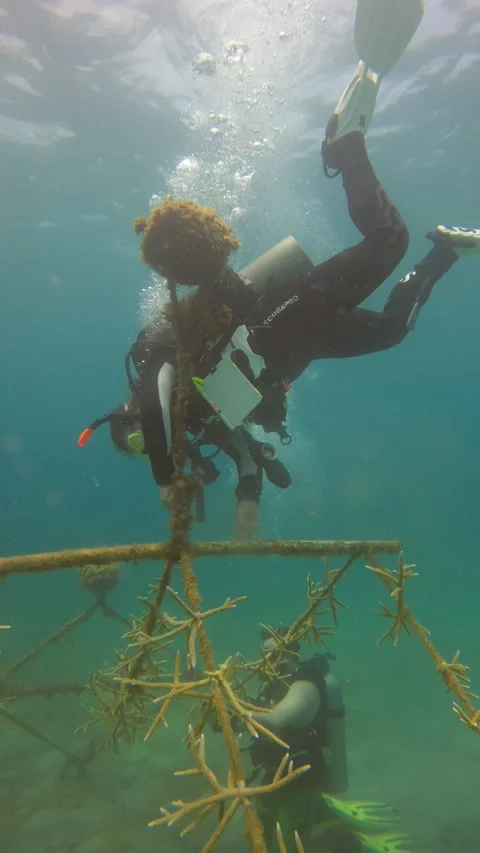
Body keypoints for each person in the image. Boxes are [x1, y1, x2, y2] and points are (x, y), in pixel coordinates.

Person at [79, 0, 479, 539]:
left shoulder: (157, 368)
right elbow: (245, 454)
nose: (145, 443)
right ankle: (445, 253)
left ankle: (345, 148)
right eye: (138, 448)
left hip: (283, 319)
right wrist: (247, 503)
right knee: (391, 332)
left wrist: (163, 475)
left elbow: (156, 401)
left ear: (126, 416)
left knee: (388, 242)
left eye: (133, 438)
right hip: (301, 346)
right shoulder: (201, 425)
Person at [228, 627, 408, 853]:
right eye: (264, 654)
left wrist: (233, 716)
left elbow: (275, 720)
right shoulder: (276, 685)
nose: (266, 662)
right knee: (261, 828)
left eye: (273, 655)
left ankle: (350, 842)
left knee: (288, 844)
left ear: (290, 655)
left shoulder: (303, 689)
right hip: (276, 774)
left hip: (301, 782)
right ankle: (327, 813)